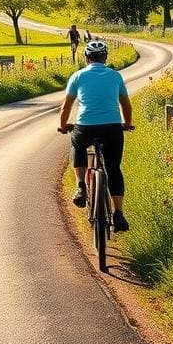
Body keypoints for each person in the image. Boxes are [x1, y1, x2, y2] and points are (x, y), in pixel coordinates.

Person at [57, 40, 134, 231]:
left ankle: (81, 185)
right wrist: (127, 123)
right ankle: (119, 214)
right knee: (114, 168)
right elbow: (126, 105)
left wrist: (62, 125)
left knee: (78, 145)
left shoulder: (78, 76)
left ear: (86, 57)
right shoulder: (115, 76)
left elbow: (66, 106)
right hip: (112, 128)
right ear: (105, 57)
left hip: (85, 127)